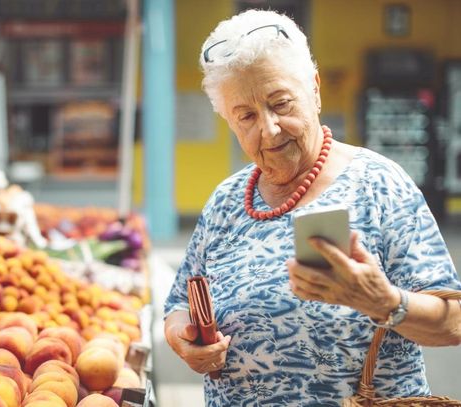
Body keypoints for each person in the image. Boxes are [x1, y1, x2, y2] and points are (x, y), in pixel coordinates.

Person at [163, 9, 461, 407]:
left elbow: (453, 321)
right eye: (246, 116)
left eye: (280, 103)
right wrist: (183, 340)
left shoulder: (378, 184)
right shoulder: (227, 201)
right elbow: (179, 304)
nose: (268, 128)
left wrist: (384, 302)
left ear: (314, 89)